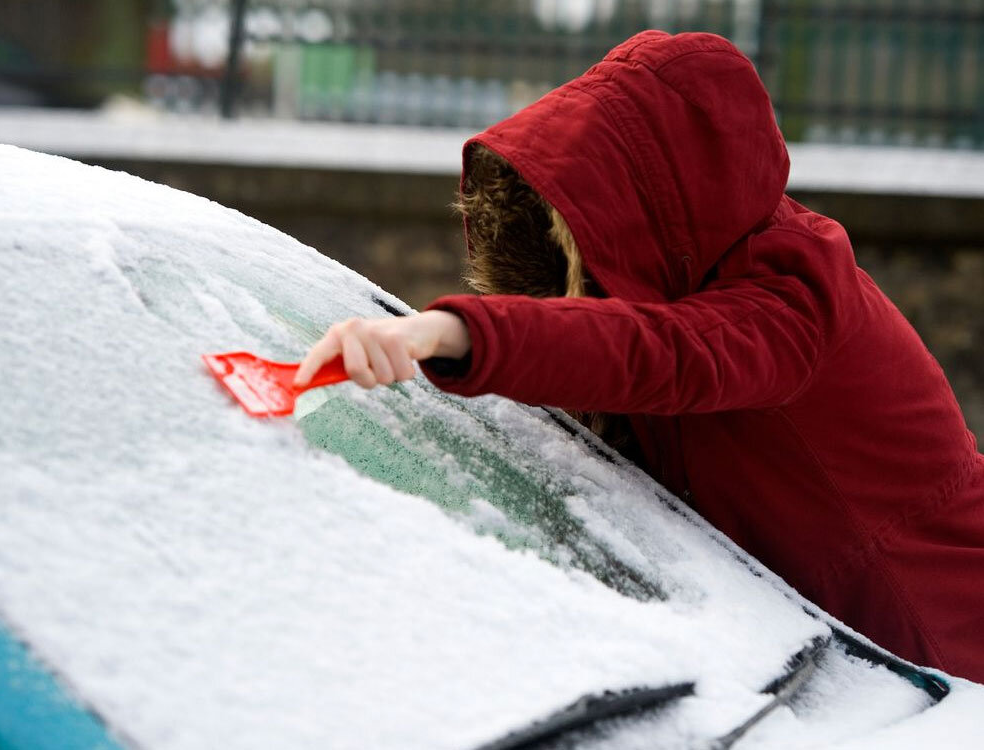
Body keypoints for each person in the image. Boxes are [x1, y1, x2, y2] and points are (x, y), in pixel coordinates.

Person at [294, 31, 984, 682]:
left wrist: (448, 335)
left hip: (937, 645)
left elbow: (660, 354)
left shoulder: (796, 295)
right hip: (823, 658)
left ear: (655, 205)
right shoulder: (686, 278)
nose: (586, 282)